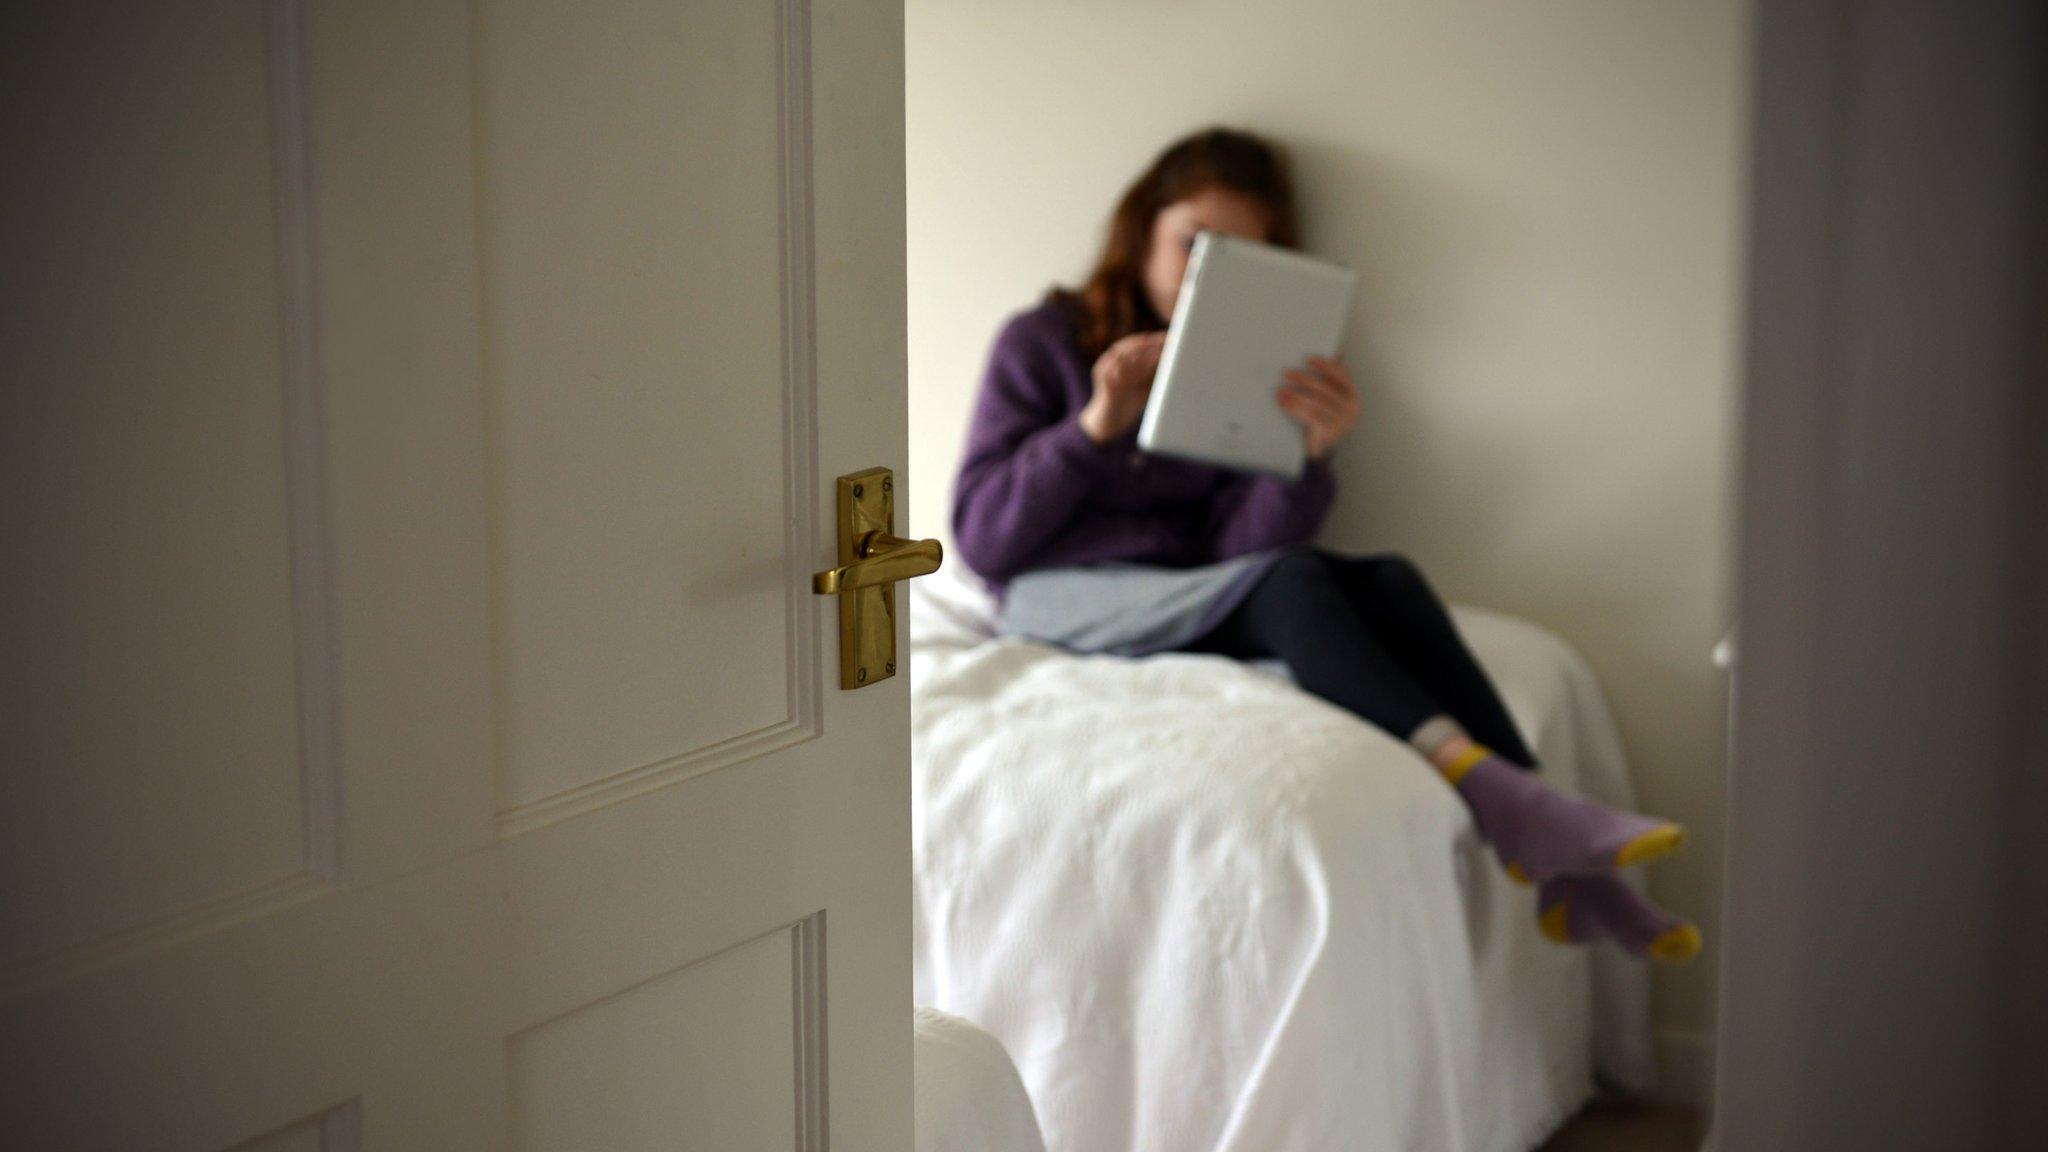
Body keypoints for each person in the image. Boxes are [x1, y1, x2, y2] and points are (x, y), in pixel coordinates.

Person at [951, 127, 1698, 962]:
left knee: (1386, 582)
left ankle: (1568, 870)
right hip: (1058, 591)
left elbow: (1235, 550)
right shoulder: (1045, 341)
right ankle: (1514, 809)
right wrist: (1092, 428)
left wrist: (1302, 459)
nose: (1206, 271)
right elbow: (984, 540)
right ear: (1141, 231)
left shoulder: (1248, 365)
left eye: (1236, 253)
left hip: (1186, 589)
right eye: (1191, 243)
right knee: (1287, 583)